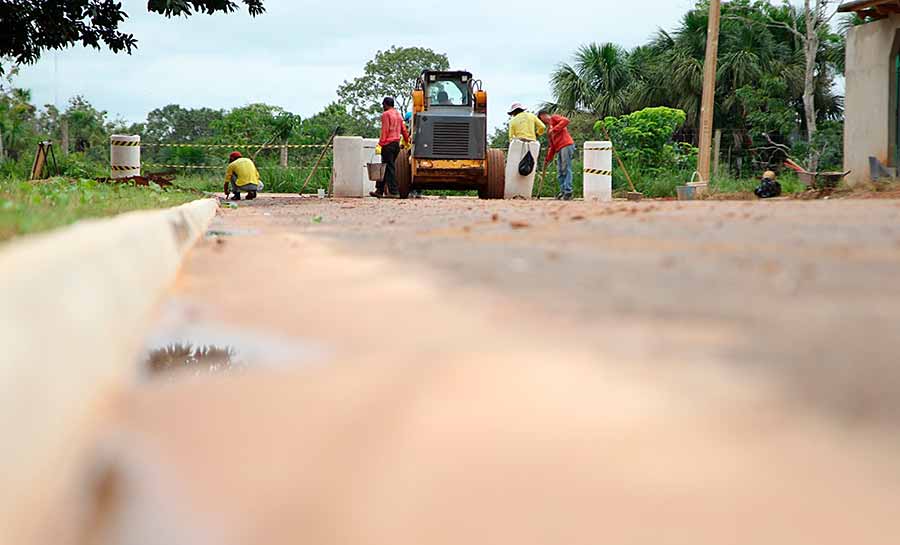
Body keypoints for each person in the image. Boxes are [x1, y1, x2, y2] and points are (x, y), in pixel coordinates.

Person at [505, 103, 546, 199]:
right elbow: (542, 127)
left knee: (515, 169)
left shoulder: (513, 121)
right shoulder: (531, 116)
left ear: (513, 112)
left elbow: (511, 137)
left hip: (518, 144)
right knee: (530, 168)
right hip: (532, 144)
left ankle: (512, 193)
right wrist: (537, 134)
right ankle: (526, 194)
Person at [372, 97, 410, 199]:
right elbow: (403, 130)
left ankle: (394, 191)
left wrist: (380, 144)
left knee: (389, 168)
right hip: (396, 145)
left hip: (388, 144)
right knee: (386, 167)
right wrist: (407, 141)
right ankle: (379, 190)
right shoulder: (398, 114)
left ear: (386, 104)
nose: (383, 107)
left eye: (383, 105)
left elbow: (385, 130)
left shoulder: (386, 114)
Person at [539, 111, 576, 200]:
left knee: (566, 167)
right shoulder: (548, 131)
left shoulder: (554, 118)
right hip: (559, 148)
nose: (542, 120)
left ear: (543, 116)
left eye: (541, 118)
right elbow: (552, 146)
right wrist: (548, 159)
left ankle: (568, 191)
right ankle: (563, 191)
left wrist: (555, 129)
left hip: (566, 145)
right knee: (560, 171)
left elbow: (566, 121)